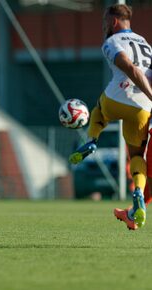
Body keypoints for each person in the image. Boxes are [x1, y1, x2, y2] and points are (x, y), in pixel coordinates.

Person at [69, 4, 152, 229]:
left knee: (98, 110)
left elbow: (131, 69)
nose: (104, 25)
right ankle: (137, 193)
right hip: (143, 108)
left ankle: (92, 140)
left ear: (114, 21)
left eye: (105, 21)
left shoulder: (112, 41)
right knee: (137, 156)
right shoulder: (145, 43)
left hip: (118, 96)